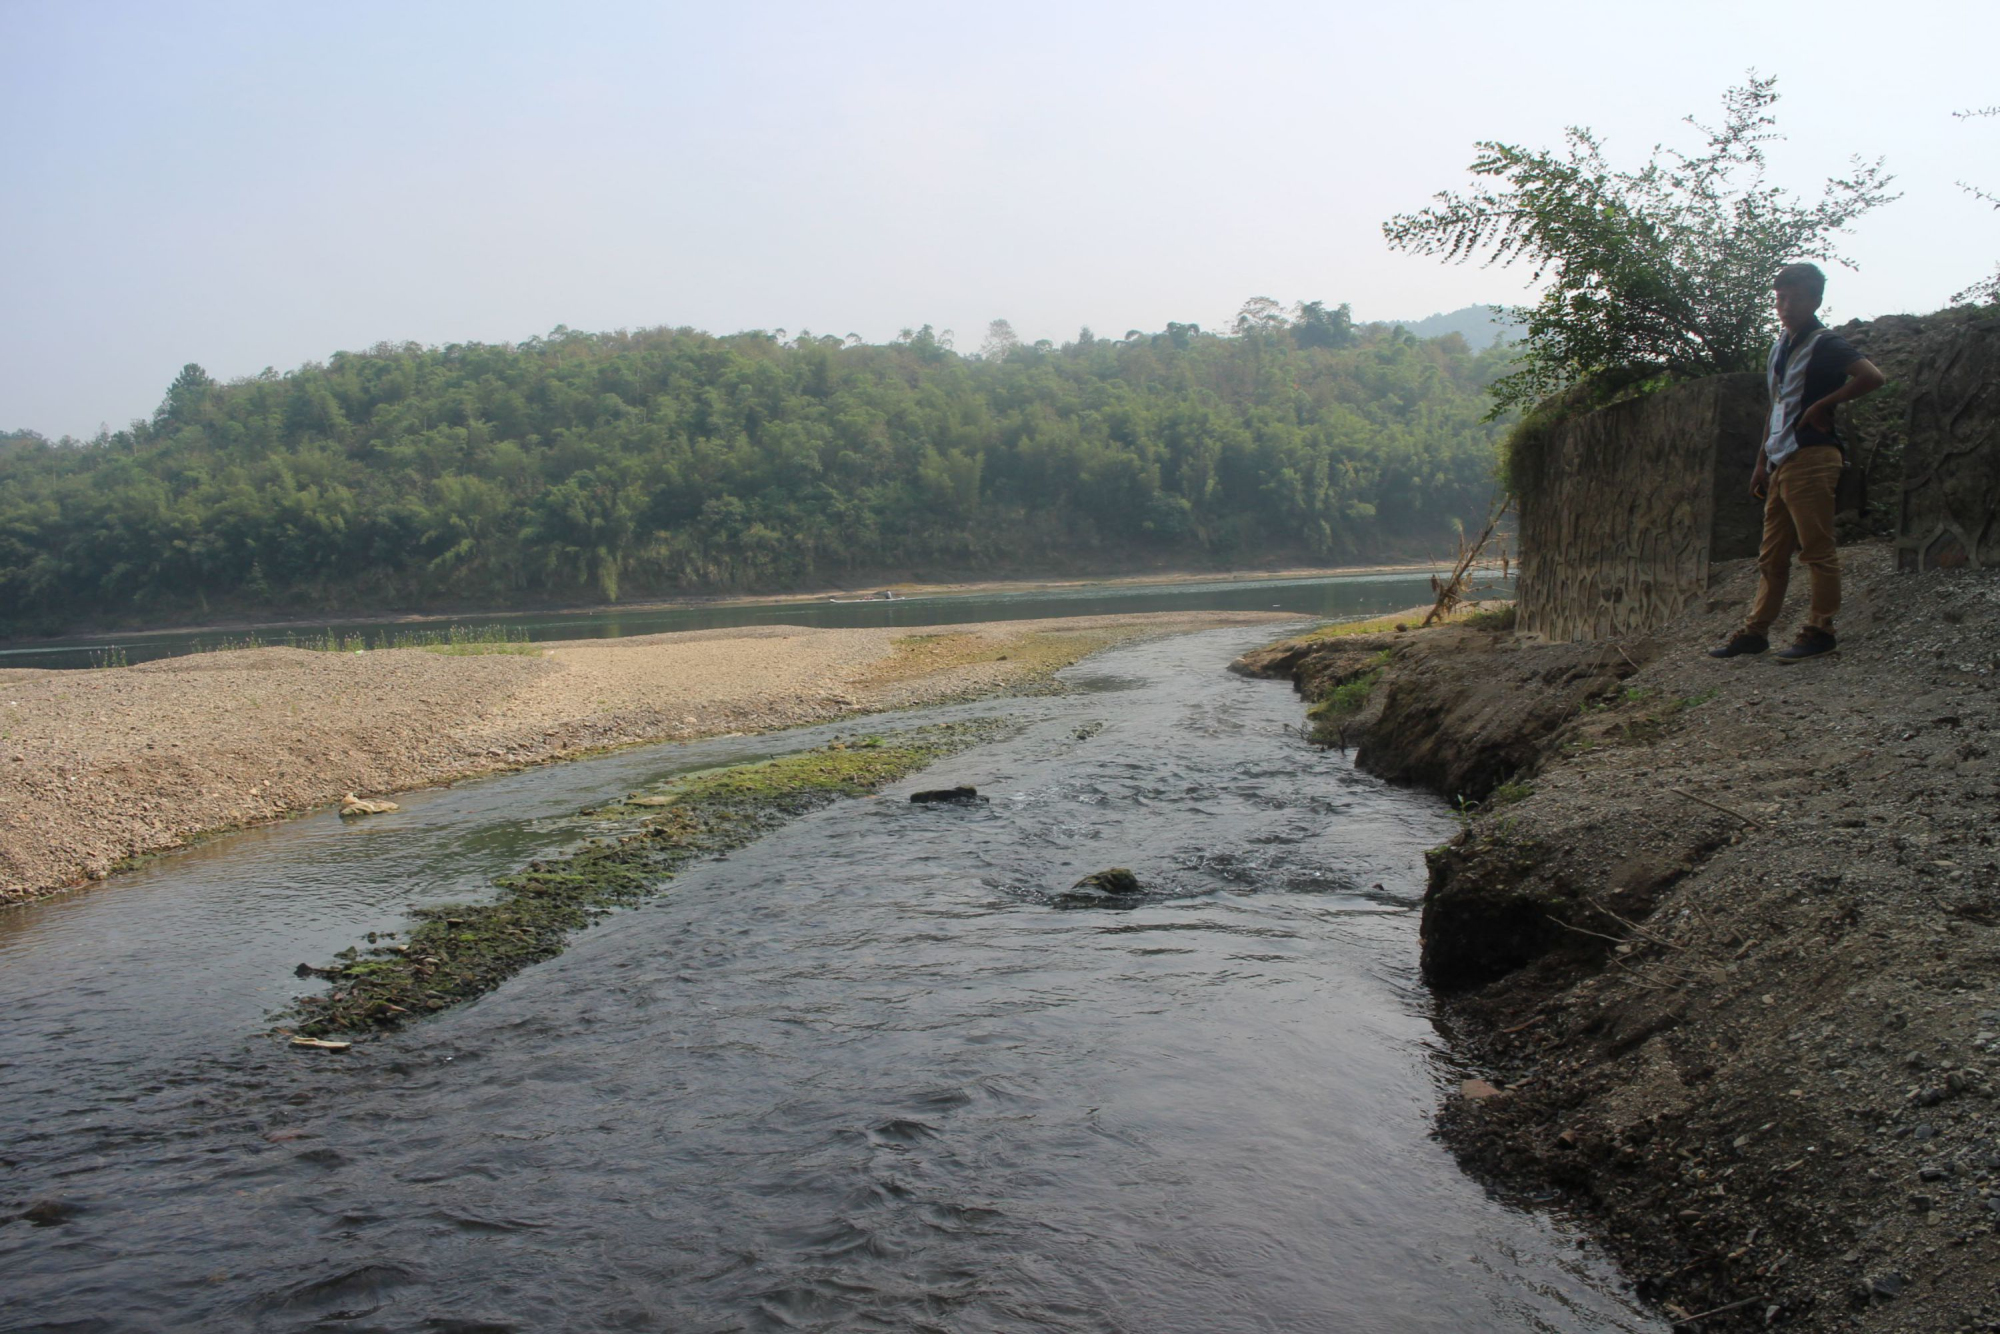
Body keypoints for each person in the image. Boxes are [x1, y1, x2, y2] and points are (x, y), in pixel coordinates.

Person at [1709, 262, 1885, 663]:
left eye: (1794, 298)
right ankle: (1756, 632)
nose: (1785, 306)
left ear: (1815, 301)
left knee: (1816, 550)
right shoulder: (1780, 346)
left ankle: (1821, 630)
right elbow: (1778, 408)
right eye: (1780, 298)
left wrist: (1826, 403)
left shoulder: (1825, 342)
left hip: (1812, 455)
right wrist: (1761, 461)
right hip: (1781, 458)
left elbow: (1872, 376)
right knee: (1771, 555)